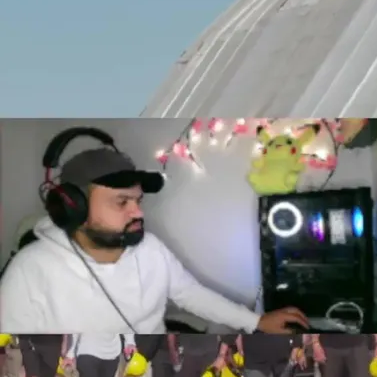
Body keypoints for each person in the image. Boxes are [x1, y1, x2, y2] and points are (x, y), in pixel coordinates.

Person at [0, 135, 309, 335]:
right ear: (73, 209)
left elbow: (188, 293)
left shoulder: (149, 248)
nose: (138, 213)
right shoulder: (29, 271)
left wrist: (255, 322)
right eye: (122, 202)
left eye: (138, 200)